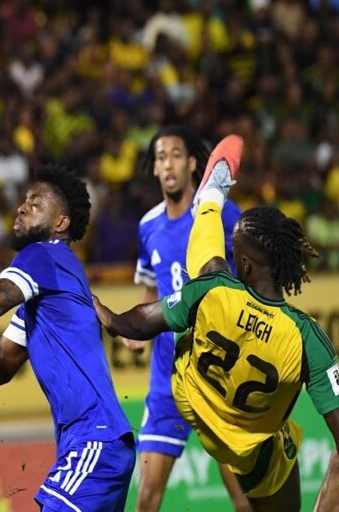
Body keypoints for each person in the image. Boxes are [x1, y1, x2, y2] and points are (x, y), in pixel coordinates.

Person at [95, 135, 339, 512]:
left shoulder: (211, 288)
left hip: (194, 398)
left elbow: (141, 321)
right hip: (251, 447)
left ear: (244, 264)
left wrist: (108, 317)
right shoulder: (307, 338)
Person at [0, 163, 135, 511]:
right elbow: (2, 364)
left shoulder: (44, 254)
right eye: (24, 200)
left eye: (36, 202)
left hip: (94, 438)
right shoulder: (45, 292)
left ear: (60, 223)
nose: (21, 207)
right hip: (96, 442)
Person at [126, 125, 249, 512]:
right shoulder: (148, 226)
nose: (168, 165)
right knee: (146, 499)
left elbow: (251, 270)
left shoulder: (219, 213)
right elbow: (151, 287)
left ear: (194, 163)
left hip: (218, 375)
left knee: (243, 500)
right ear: (154, 168)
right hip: (168, 377)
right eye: (161, 158)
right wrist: (138, 332)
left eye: (176, 155)